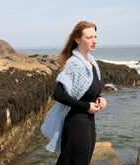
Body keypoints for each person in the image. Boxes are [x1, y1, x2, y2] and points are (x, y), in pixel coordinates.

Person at [41, 21, 107, 165]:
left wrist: (100, 98)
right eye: (89, 37)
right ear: (78, 40)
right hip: (76, 124)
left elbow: (89, 92)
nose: (94, 41)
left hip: (89, 123)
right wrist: (85, 107)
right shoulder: (74, 63)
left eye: (95, 36)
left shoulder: (92, 63)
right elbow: (58, 94)